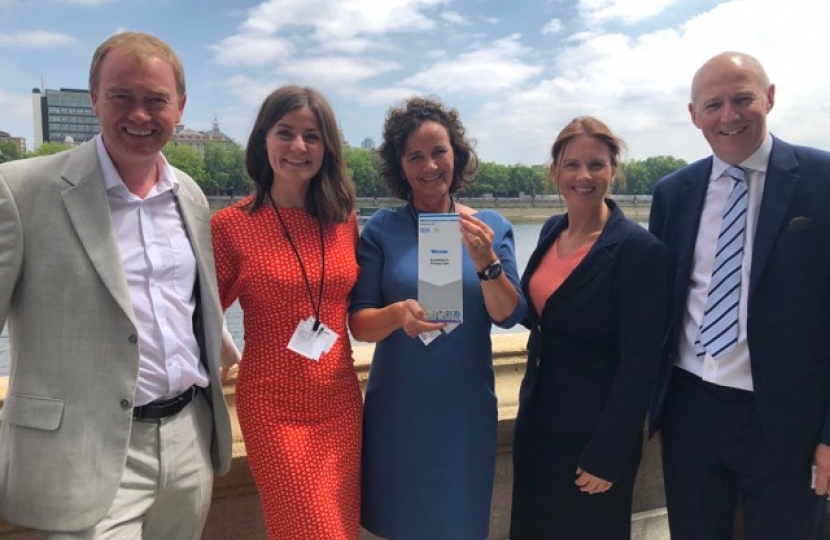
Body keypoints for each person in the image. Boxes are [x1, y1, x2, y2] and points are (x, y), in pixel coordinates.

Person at [0, 31, 232, 539]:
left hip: (188, 439)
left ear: (181, 107)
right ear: (94, 99)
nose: (140, 115)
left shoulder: (188, 195)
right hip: (85, 452)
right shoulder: (20, 190)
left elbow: (186, 307)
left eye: (156, 100)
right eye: (122, 96)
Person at [649, 51, 830, 539]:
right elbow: (660, 305)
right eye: (713, 105)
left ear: (769, 98)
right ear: (694, 116)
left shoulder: (823, 179)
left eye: (742, 99)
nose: (728, 116)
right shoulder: (673, 192)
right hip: (689, 414)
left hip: (786, 424)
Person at [349, 96, 527, 540]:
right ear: (400, 165)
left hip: (463, 412)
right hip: (400, 413)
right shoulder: (382, 229)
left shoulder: (489, 226)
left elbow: (509, 316)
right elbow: (359, 323)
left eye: (438, 152)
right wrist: (395, 315)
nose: (429, 166)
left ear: (457, 154)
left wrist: (486, 262)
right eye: (416, 156)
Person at [211, 85, 362, 539]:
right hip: (274, 408)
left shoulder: (344, 221)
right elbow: (195, 314)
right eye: (286, 133)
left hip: (340, 400)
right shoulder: (231, 226)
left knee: (340, 527)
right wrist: (225, 355)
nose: (299, 147)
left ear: (327, 148)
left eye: (312, 136)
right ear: (263, 140)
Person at [509, 117, 668, 539]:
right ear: (555, 172)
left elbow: (641, 365)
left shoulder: (640, 251)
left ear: (613, 171)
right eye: (572, 164)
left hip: (592, 442)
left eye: (596, 164)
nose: (584, 176)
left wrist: (609, 453)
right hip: (538, 426)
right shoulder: (550, 231)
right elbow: (541, 320)